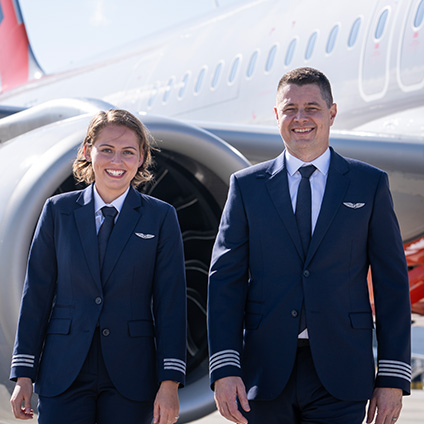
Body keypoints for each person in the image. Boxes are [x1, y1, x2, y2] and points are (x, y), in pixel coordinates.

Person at [207, 67, 411, 424]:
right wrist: (225, 368)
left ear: (332, 113)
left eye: (312, 108)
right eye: (289, 109)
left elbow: (391, 284)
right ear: (276, 115)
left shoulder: (368, 184)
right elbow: (225, 281)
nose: (300, 118)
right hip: (264, 372)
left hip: (342, 373)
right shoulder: (247, 187)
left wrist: (393, 376)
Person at [10, 109, 187, 424]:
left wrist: (170, 382)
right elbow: (36, 294)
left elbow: (171, 303)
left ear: (141, 158)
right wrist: (23, 373)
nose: (116, 161)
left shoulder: (160, 217)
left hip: (132, 374)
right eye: (106, 149)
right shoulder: (58, 211)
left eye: (127, 152)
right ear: (87, 151)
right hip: (63, 370)